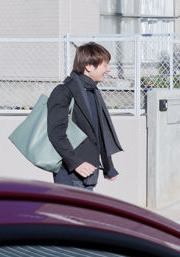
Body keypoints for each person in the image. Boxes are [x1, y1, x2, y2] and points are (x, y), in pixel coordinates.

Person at [47, 42, 123, 190]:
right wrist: (75, 163)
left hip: (89, 173)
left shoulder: (92, 91)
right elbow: (56, 133)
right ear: (89, 66)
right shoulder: (64, 91)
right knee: (71, 213)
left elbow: (99, 132)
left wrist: (108, 167)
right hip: (70, 173)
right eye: (105, 65)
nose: (108, 69)